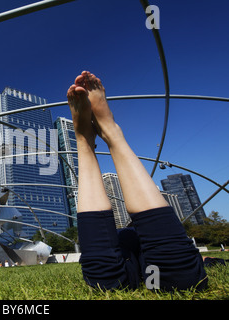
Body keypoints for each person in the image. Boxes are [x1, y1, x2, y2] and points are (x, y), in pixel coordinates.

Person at [67, 71, 208, 291]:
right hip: (147, 264)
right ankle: (103, 135)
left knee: (104, 283)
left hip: (126, 248)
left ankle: (91, 139)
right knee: (182, 280)